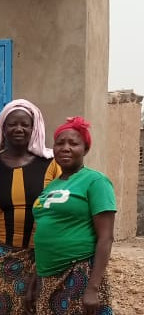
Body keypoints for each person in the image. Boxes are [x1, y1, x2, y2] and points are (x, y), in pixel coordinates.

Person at [0, 99, 61, 314]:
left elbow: (62, 213)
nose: (19, 128)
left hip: (42, 256)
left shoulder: (51, 164)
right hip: (0, 256)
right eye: (12, 124)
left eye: (25, 124)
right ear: (3, 129)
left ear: (34, 129)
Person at [26, 116, 116, 315]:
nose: (65, 148)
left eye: (74, 143)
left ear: (85, 149)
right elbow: (43, 233)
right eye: (60, 143)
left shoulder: (96, 181)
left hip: (79, 272)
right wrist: (34, 278)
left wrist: (93, 288)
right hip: (47, 275)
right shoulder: (52, 185)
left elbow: (106, 237)